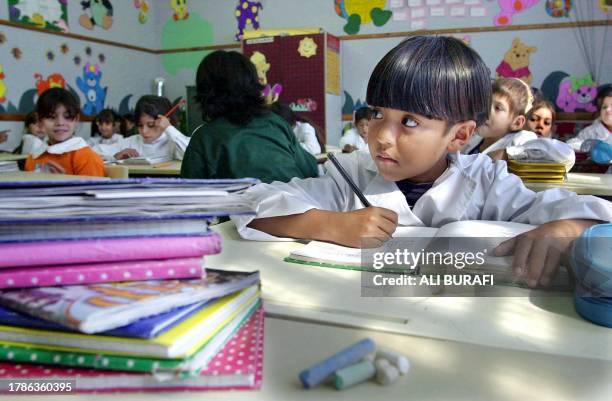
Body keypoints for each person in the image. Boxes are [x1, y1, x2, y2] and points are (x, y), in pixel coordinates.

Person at [233, 36, 612, 288]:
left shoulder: (486, 179)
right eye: (378, 113)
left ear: (460, 136)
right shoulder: (349, 175)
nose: (381, 135)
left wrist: (570, 227)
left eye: (409, 122)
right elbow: (248, 203)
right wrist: (328, 224)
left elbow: (580, 212)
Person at [181, 50, 318, 183]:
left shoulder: (204, 137)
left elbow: (189, 194)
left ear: (204, 92)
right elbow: (311, 170)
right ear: (254, 85)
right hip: (297, 202)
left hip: (244, 205)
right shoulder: (276, 123)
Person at [24, 88, 104, 176]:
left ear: (76, 119)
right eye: (51, 117)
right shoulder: (33, 158)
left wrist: (65, 183)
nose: (60, 123)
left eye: (67, 116)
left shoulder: (86, 158)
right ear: (40, 120)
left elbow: (92, 189)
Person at [94, 96, 189, 161]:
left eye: (151, 125)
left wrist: (169, 128)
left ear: (164, 121)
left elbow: (192, 154)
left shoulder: (173, 143)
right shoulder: (132, 142)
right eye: (140, 125)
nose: (144, 131)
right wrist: (115, 157)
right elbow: (92, 152)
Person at [463, 77, 535, 159]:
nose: (486, 110)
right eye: (486, 103)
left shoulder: (522, 138)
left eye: (497, 108)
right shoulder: (473, 139)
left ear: (517, 123)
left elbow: (545, 150)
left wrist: (506, 154)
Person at [566, 87, 612, 152]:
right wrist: (590, 145)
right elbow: (570, 144)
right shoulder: (590, 131)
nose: (608, 110)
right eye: (604, 107)